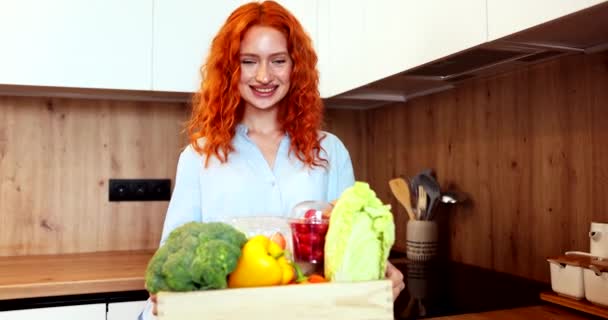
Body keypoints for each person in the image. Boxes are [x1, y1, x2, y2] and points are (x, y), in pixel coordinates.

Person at [139, 1, 404, 318]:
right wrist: (166, 292)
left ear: (296, 66)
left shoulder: (329, 151)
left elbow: (345, 240)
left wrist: (378, 268)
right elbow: (174, 251)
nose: (263, 76)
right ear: (230, 69)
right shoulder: (199, 155)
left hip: (310, 312)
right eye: (249, 61)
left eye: (278, 61)